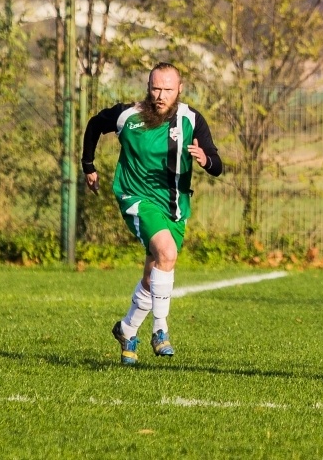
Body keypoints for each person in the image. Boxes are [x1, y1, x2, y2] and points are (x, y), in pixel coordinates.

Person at [81, 62, 223, 365]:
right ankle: (160, 330)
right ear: (148, 87)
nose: (161, 95)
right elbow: (94, 124)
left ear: (179, 89)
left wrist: (205, 159)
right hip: (136, 198)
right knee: (167, 252)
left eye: (167, 89)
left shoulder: (191, 119)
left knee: (153, 274)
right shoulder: (127, 115)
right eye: (156, 88)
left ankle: (127, 329)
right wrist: (88, 165)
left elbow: (217, 165)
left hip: (174, 206)